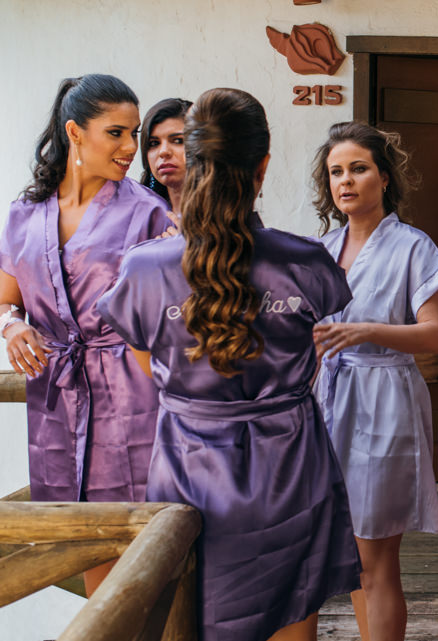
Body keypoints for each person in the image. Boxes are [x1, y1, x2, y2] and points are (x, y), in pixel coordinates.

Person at [97, 88, 361, 641]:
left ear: (192, 163)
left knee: (187, 618)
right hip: (291, 466)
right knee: (293, 619)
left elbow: (147, 362)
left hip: (187, 470)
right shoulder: (308, 263)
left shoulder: (145, 271)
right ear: (263, 165)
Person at [0, 74, 169, 595]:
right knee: (78, 534)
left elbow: (170, 309)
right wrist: (11, 326)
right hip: (56, 391)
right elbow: (8, 298)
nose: (130, 148)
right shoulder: (24, 214)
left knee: (144, 532)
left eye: (134, 133)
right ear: (75, 133)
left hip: (134, 388)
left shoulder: (149, 213)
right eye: (115, 133)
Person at [310, 121, 438, 641]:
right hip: (329, 400)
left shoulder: (414, 247)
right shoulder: (320, 249)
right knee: (351, 554)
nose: (345, 181)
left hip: (385, 400)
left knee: (376, 556)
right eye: (335, 172)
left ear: (385, 178)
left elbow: (434, 335)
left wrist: (366, 330)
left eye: (358, 168)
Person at [140, 97, 192, 216]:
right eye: (154, 143)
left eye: (178, 141)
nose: (163, 152)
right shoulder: (139, 215)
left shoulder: (230, 213)